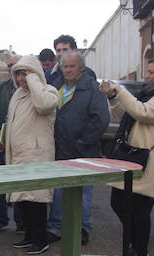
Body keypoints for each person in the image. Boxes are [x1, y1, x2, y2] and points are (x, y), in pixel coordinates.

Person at [100, 55, 154, 256]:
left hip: (146, 156)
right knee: (118, 202)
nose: (147, 76)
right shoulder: (149, 93)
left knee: (138, 207)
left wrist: (120, 90)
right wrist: (113, 99)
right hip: (130, 154)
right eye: (147, 71)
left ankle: (140, 251)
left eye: (152, 72)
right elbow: (128, 116)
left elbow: (143, 113)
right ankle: (133, 243)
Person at [46, 50, 109, 245]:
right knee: (58, 189)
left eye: (72, 66)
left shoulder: (92, 88)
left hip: (83, 150)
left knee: (83, 191)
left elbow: (101, 119)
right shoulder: (55, 86)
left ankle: (82, 228)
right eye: (65, 66)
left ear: (81, 67)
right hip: (59, 148)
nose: (68, 70)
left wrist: (83, 141)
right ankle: (56, 227)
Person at [5, 56, 58, 255]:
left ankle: (40, 239)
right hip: (18, 154)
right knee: (23, 199)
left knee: (36, 200)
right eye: (18, 74)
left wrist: (33, 80)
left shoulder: (49, 91)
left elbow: (43, 105)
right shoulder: (17, 94)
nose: (21, 78)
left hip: (36, 154)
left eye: (25, 73)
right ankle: (29, 236)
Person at [0, 55, 21, 232]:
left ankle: (20, 222)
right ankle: (0, 218)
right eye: (9, 65)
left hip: (21, 146)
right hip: (3, 143)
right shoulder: (1, 89)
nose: (12, 68)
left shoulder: (28, 89)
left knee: (19, 183)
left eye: (15, 65)